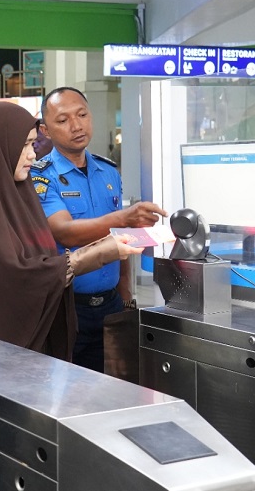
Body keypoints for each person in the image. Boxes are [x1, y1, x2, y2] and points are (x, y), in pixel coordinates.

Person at [0, 101, 142, 361]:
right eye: (24, 145)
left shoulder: (21, 196)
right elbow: (18, 275)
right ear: (0, 147)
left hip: (39, 336)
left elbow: (42, 258)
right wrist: (101, 252)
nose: (32, 155)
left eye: (32, 144)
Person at [33, 87, 167, 372]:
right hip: (67, 307)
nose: (77, 125)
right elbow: (65, 232)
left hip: (111, 305)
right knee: (68, 392)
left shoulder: (108, 172)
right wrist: (124, 217)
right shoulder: (41, 176)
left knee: (113, 389)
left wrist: (127, 299)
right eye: (63, 120)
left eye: (82, 115)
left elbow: (120, 240)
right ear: (45, 129)